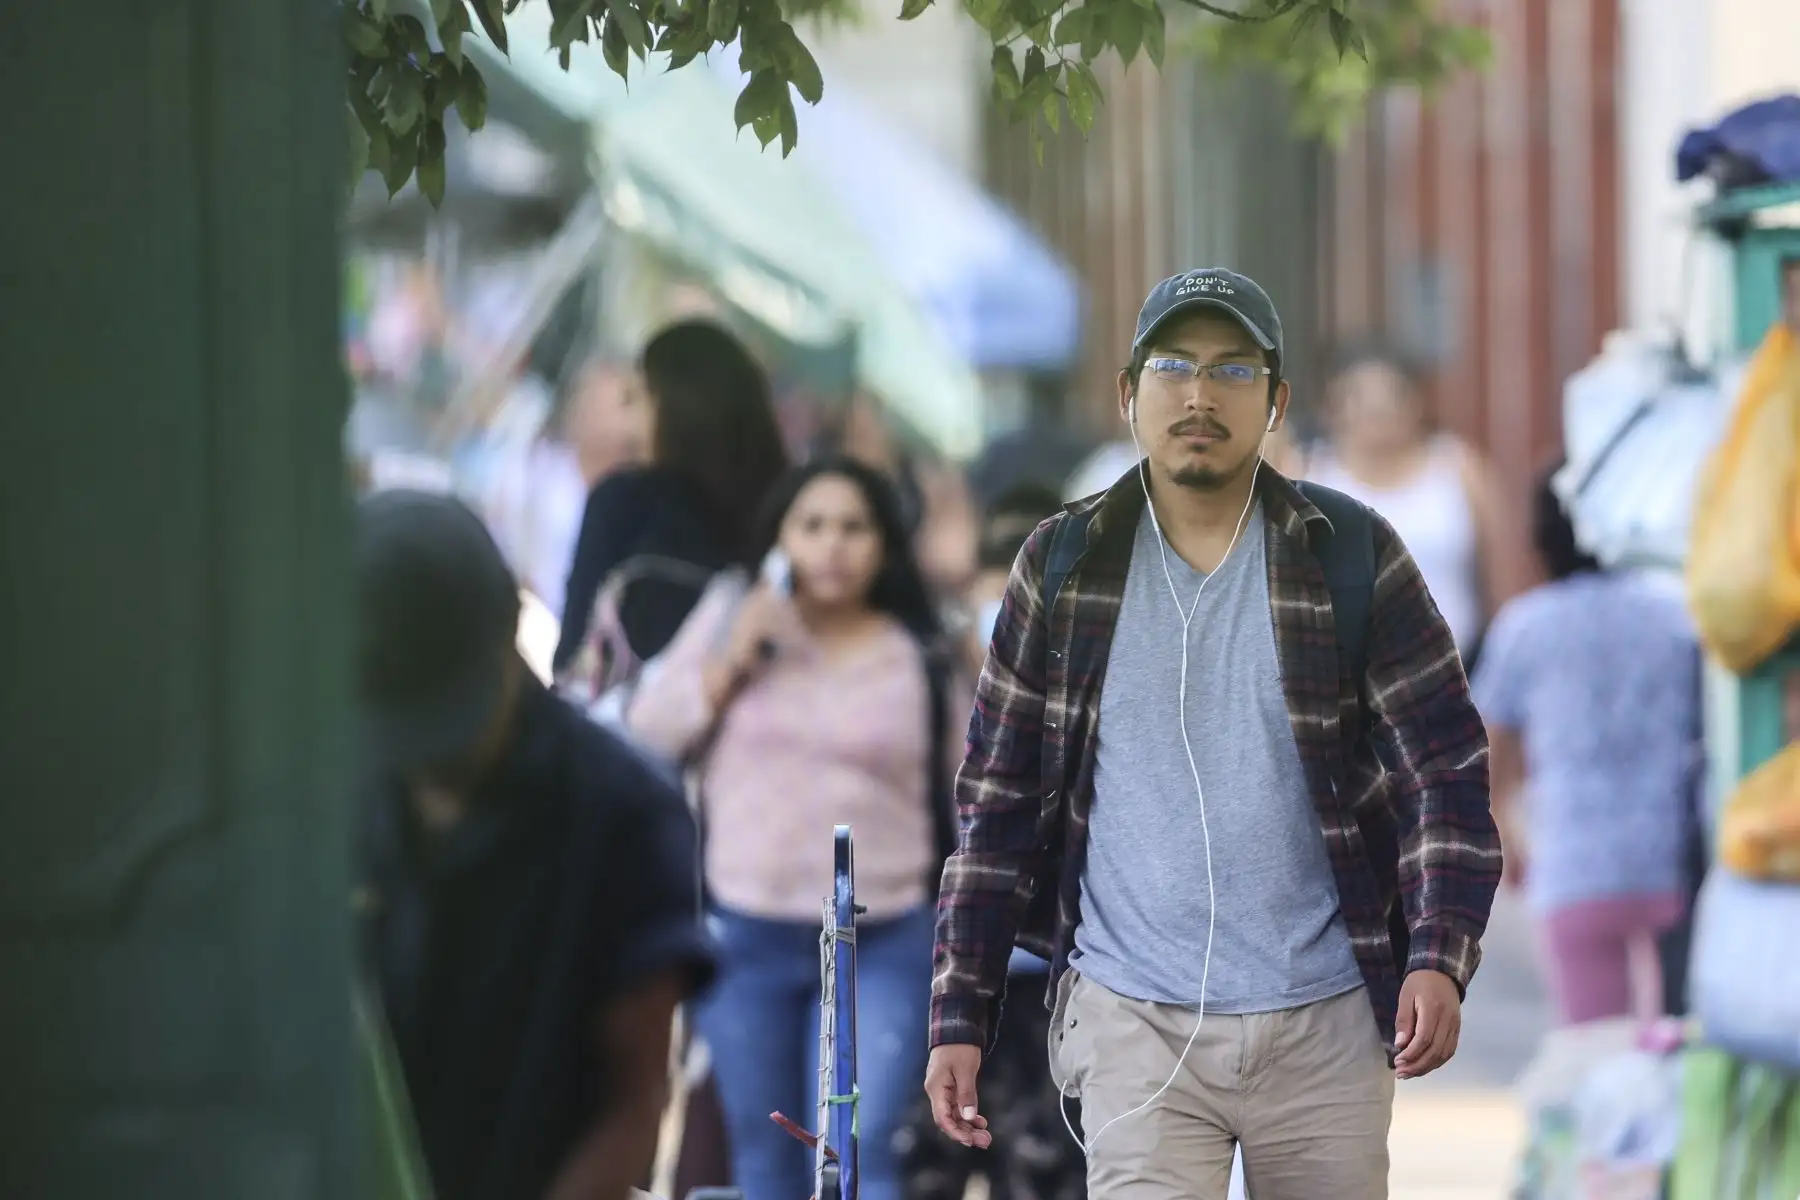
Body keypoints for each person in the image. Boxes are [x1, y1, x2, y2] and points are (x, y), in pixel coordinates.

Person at [924, 268, 1502, 1200]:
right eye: (1174, 366)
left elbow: (1444, 767)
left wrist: (1439, 954)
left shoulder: (1350, 553)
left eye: (1234, 372)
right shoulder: (1065, 562)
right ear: (1129, 394)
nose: (1199, 394)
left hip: (1325, 1014)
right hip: (1132, 1019)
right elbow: (996, 796)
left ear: (1276, 403)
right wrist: (961, 1010)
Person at [354, 489, 714, 1200]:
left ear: (506, 646)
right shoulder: (323, 792)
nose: (431, 764)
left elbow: (633, 1096)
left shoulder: (622, 813)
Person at [627, 456, 961, 1200]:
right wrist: (730, 662)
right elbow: (648, 735)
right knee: (768, 1153)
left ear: (883, 545)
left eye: (853, 527)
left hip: (881, 934)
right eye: (811, 526)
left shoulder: (920, 650)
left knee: (859, 1144)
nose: (832, 545)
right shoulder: (730, 618)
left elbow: (968, 784)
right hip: (746, 934)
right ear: (780, 540)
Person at [900, 479, 1086, 1200]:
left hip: (1057, 982)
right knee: (926, 1166)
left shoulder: (1086, 692)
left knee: (1046, 1171)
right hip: (941, 975)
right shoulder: (933, 678)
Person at [1471, 467, 1703, 1025]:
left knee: (1592, 1047)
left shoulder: (1525, 627)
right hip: (1671, 858)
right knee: (1669, 1044)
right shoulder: (1677, 616)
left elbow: (1486, 749)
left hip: (1573, 863)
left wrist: (1503, 830)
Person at [553, 319, 791, 676]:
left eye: (636, 400)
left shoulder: (624, 502)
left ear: (675, 407)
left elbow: (573, 653)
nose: (628, 425)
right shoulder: (778, 520)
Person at [1303, 345, 1526, 665]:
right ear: (1332, 406)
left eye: (1391, 398)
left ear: (1416, 402)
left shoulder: (1459, 470)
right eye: (1360, 400)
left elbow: (1504, 577)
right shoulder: (1309, 475)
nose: (1377, 412)